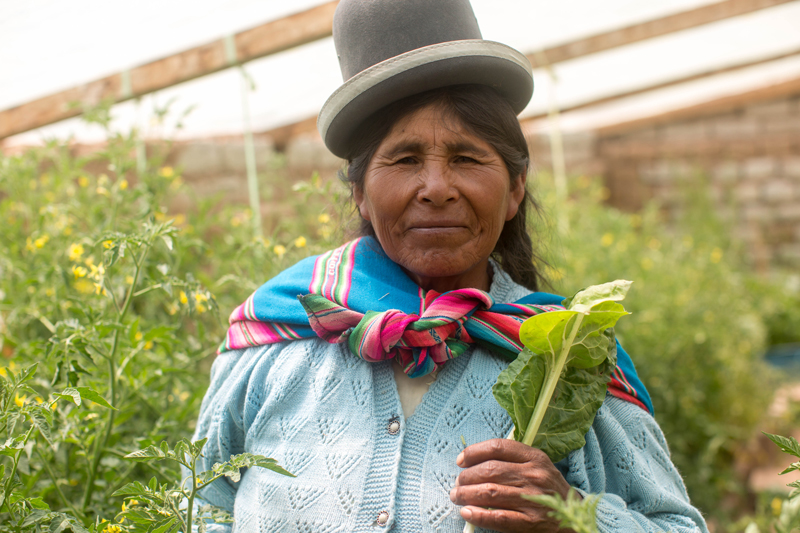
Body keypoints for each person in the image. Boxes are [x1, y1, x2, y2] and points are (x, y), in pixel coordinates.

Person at [189, 1, 710, 532]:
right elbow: (200, 510)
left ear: (514, 190)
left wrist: (570, 514)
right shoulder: (273, 343)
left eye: (467, 158)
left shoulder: (564, 362)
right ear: (361, 193)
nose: (437, 189)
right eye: (405, 159)